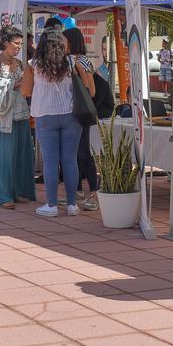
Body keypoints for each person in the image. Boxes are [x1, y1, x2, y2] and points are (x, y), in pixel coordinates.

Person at [21, 28, 93, 217]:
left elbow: (26, 92)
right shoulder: (72, 62)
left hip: (45, 115)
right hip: (71, 115)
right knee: (70, 160)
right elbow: (87, 87)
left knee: (51, 161)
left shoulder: (33, 64)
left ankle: (51, 205)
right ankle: (72, 205)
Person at [0, 27, 35, 208]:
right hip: (4, 115)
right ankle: (2, 194)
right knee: (4, 155)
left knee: (21, 154)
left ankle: (18, 190)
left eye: (21, 44)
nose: (19, 47)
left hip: (20, 112)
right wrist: (13, 84)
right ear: (5, 43)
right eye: (16, 43)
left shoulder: (20, 63)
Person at [63, 27, 98, 211]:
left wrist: (77, 73)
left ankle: (93, 193)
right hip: (69, 113)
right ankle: (76, 191)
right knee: (73, 154)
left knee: (84, 153)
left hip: (80, 113)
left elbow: (91, 90)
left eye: (64, 40)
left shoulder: (81, 61)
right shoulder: (66, 60)